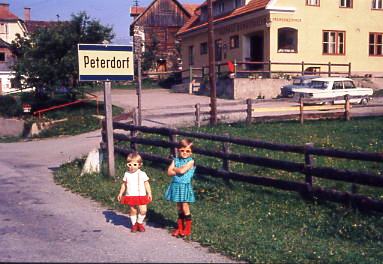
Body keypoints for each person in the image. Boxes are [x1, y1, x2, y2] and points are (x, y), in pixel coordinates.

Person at [164, 139, 196, 238]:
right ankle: (180, 227)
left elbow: (182, 171)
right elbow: (169, 172)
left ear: (191, 152)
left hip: (184, 186)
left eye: (187, 151)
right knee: (179, 207)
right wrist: (176, 170)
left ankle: (187, 228)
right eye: (182, 150)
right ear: (178, 150)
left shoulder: (191, 161)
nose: (184, 153)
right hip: (176, 185)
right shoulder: (176, 160)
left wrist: (175, 169)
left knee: (185, 206)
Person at [117, 152, 152, 233]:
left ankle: (139, 223)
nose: (132, 167)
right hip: (131, 195)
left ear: (140, 165)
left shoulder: (142, 174)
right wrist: (120, 193)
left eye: (135, 165)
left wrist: (149, 193)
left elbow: (146, 184)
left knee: (143, 210)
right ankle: (134, 225)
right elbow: (124, 185)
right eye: (130, 165)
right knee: (133, 210)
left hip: (141, 195)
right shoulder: (127, 174)